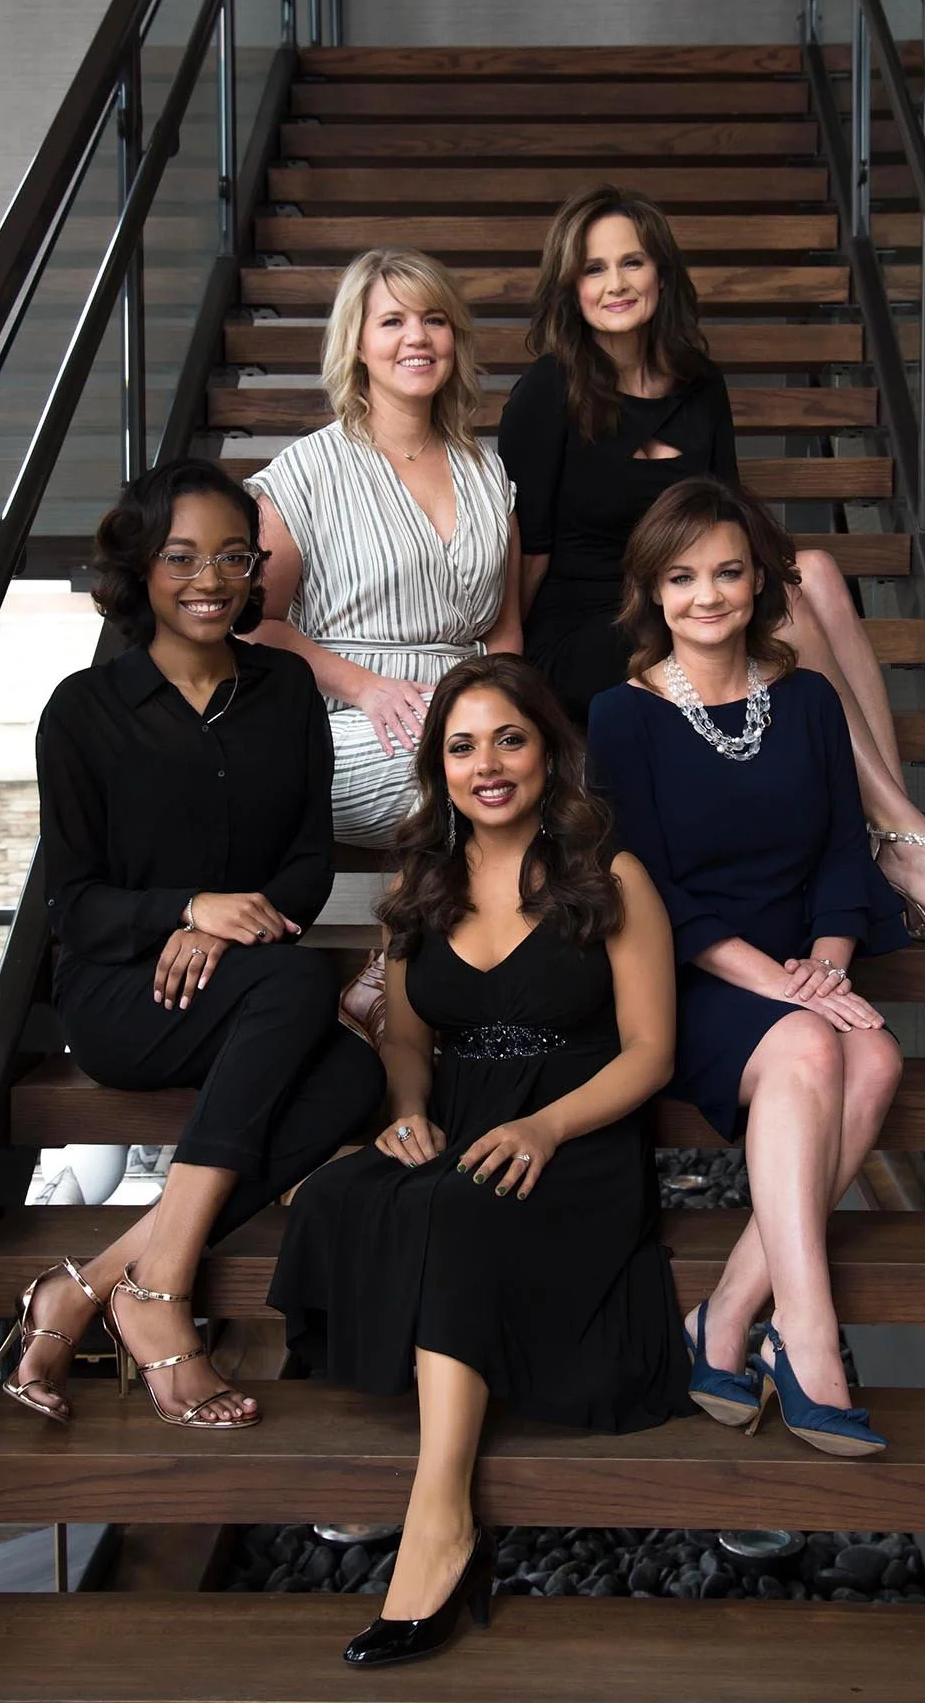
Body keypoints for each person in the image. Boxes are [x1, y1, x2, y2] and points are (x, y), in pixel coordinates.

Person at [269, 654, 691, 1667]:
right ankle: (439, 1484)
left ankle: (440, 1514)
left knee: (454, 1209)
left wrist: (546, 1126)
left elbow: (650, 1051)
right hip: (459, 1114)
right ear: (438, 766)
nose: (486, 763)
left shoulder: (610, 875)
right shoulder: (421, 883)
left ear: (549, 750)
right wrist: (408, 1107)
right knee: (340, 1189)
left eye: (509, 737)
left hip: (576, 1133)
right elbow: (407, 1035)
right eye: (462, 745)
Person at [500, 184, 925, 939]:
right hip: (584, 625)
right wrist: (508, 666)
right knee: (789, 603)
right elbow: (527, 548)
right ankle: (905, 838)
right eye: (592, 269)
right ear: (568, 286)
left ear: (661, 272)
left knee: (818, 575)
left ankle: (883, 830)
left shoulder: (699, 383)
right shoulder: (545, 392)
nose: (614, 284)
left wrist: (782, 574)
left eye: (631, 262)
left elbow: (726, 521)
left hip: (688, 598)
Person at [0, 460, 384, 1432]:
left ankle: (106, 1278)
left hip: (249, 978)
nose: (210, 576)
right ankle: (156, 1293)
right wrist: (188, 911)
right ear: (139, 567)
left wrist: (229, 922)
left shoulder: (285, 688)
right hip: (124, 994)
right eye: (181, 555)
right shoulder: (83, 712)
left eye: (232, 555)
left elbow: (302, 868)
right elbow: (76, 906)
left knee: (352, 1080)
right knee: (297, 984)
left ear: (256, 570)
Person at [588, 477, 907, 1457]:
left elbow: (843, 853)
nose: (707, 595)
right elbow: (637, 884)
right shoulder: (620, 714)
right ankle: (807, 1340)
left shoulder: (806, 700)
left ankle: (724, 1316)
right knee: (815, 1044)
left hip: (793, 963)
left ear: (759, 579)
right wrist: (771, 982)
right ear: (650, 589)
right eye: (681, 577)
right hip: (681, 974)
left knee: (881, 1059)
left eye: (727, 571)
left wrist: (824, 955)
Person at [245, 248, 521, 850]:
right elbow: (253, 626)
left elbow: (504, 629)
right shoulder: (306, 473)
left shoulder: (488, 472)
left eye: (434, 319)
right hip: (351, 718)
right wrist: (367, 688)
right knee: (473, 785)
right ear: (358, 344)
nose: (416, 337)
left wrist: (495, 712)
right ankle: (424, 938)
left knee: (553, 771)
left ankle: (427, 943)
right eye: (392, 321)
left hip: (472, 712)